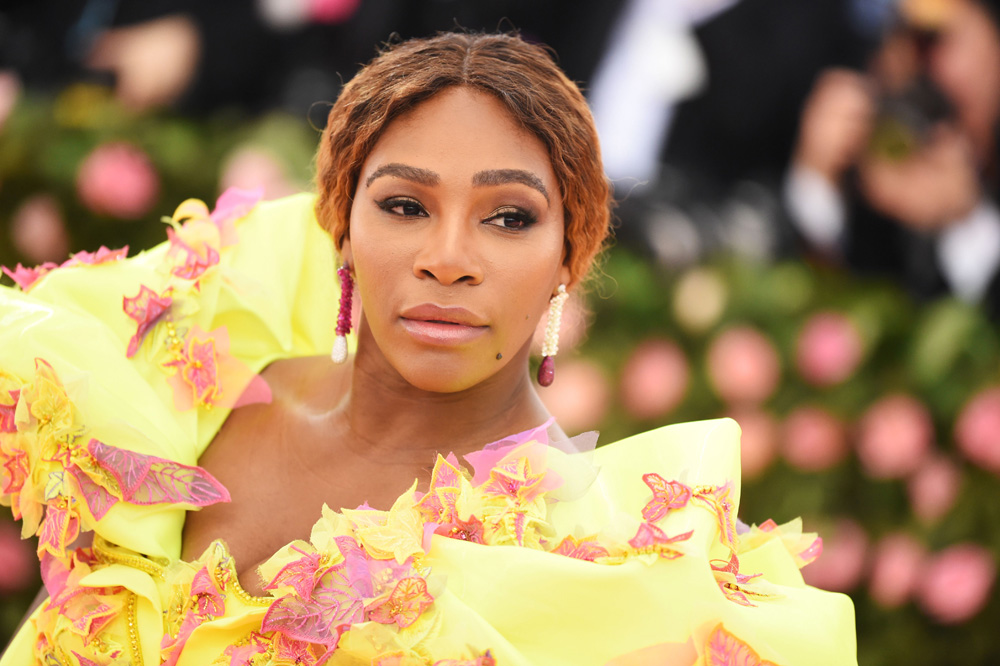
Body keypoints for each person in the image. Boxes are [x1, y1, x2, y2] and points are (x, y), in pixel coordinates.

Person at [0, 32, 855, 665]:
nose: (446, 257)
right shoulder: (185, 394)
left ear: (570, 257)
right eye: (405, 204)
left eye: (508, 217)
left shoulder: (604, 571)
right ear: (339, 227)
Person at [785, 0, 1000, 317]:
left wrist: (965, 223)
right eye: (898, 39)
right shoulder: (869, 178)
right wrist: (817, 187)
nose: (916, 66)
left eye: (931, 40)